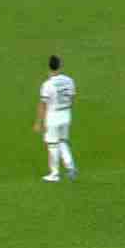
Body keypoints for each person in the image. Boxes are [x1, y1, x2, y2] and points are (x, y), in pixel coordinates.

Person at [35, 54, 77, 182]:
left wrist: (39, 122)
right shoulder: (69, 80)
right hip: (66, 113)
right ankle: (70, 165)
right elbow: (72, 97)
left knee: (52, 144)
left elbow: (43, 104)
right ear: (60, 65)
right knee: (63, 141)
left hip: (53, 116)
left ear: (49, 67)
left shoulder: (47, 84)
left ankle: (54, 174)